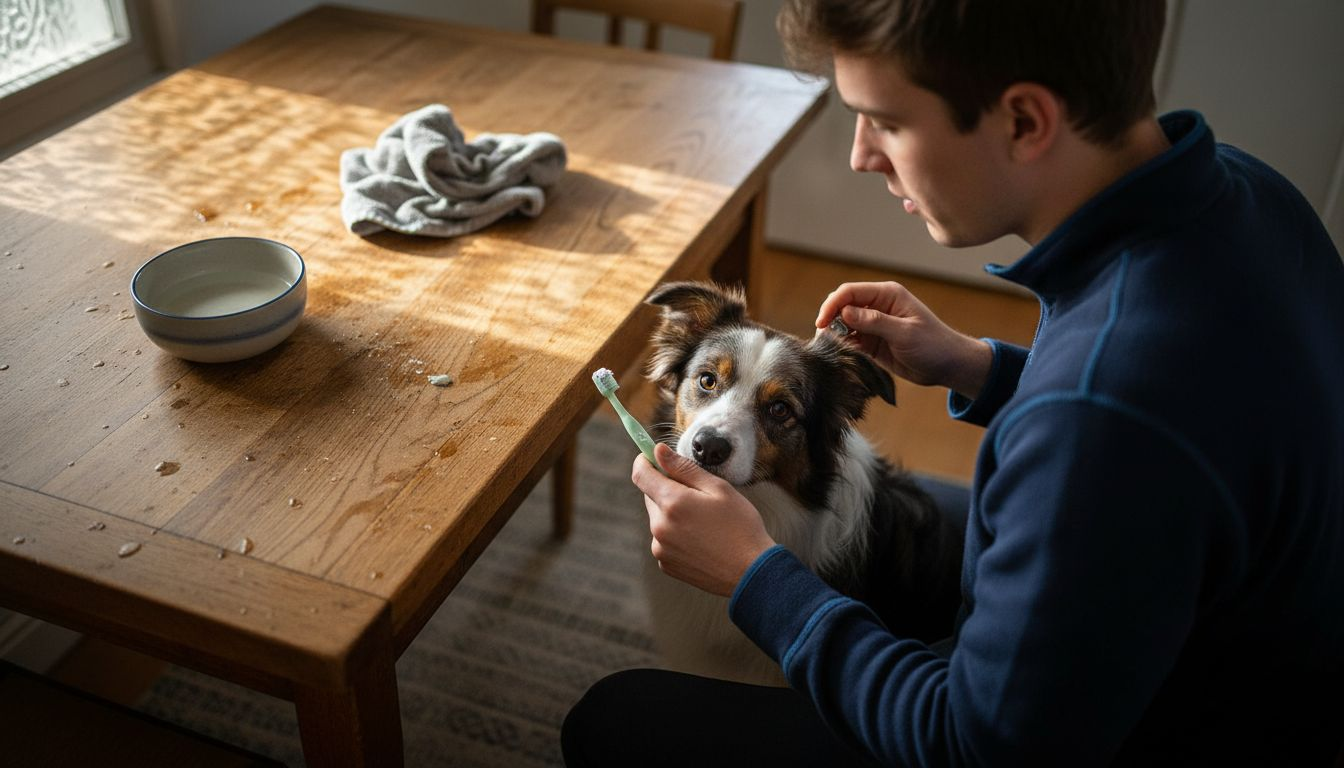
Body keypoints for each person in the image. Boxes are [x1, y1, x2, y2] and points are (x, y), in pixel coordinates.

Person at [561, 0, 1344, 764]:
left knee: (612, 718)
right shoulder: (1251, 195)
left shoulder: (1099, 418)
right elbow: (1174, 423)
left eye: (889, 121)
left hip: (1170, 720)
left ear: (1023, 121)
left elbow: (970, 742)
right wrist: (981, 367)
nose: (862, 155)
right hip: (1214, 614)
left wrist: (757, 577)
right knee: (895, 522)